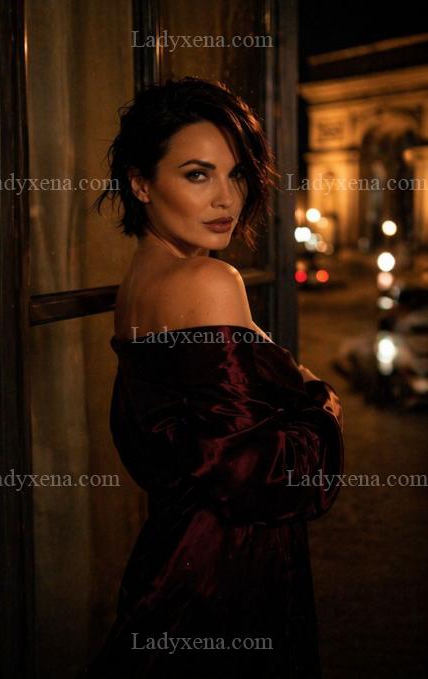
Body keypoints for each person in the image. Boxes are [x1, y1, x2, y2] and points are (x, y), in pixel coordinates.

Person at [83, 76, 344, 678]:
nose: (227, 198)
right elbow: (263, 474)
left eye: (237, 174)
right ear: (141, 183)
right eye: (198, 174)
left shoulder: (138, 282)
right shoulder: (208, 281)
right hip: (228, 570)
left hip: (175, 555)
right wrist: (324, 412)